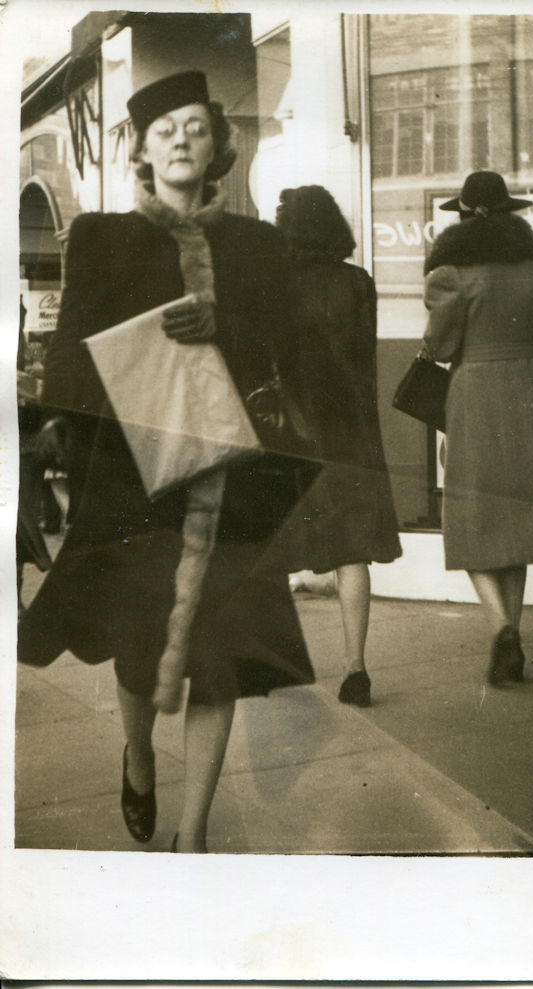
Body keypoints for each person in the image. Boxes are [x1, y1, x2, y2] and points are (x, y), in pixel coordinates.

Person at [18, 70, 315, 853]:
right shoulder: (102, 236)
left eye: (195, 126)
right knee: (138, 645)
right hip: (134, 480)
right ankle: (140, 757)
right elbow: (71, 348)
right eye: (164, 129)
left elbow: (287, 348)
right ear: (143, 151)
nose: (182, 139)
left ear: (217, 145)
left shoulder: (258, 245)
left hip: (232, 481)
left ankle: (193, 833)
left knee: (220, 657)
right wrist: (62, 418)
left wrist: (225, 323)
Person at [422, 170, 533, 686]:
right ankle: (512, 636)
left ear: (464, 219)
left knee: (472, 524)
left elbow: (441, 347)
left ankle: (501, 629)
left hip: (474, 400)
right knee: (515, 525)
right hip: (530, 397)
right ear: (511, 217)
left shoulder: (450, 275)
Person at [275, 186, 401, 708]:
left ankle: (279, 664)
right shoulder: (359, 283)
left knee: (277, 551)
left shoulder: (278, 286)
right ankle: (355, 667)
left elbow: (275, 363)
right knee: (353, 553)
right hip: (351, 432)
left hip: (294, 430)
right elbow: (362, 361)